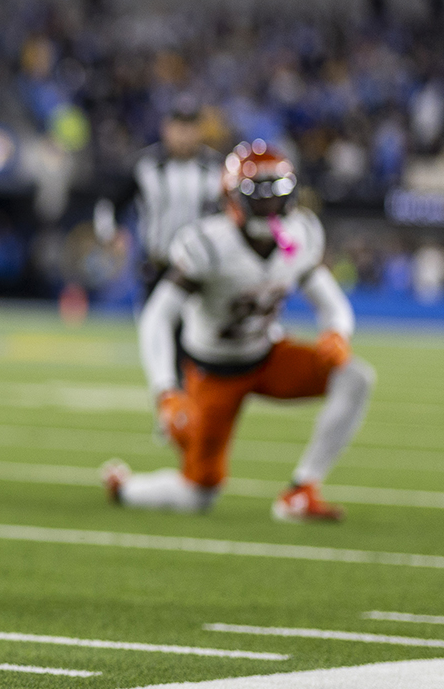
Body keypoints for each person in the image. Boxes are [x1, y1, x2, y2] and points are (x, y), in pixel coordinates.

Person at [103, 141, 373, 521]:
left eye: (276, 195)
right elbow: (157, 317)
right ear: (232, 197)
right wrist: (165, 391)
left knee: (355, 378)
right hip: (214, 373)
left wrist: (336, 333)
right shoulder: (208, 244)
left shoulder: (298, 234)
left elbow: (329, 300)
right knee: (198, 494)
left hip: (265, 355)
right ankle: (125, 487)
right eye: (258, 197)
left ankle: (302, 491)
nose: (269, 206)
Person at [95, 94, 220, 303]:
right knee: (155, 330)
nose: (184, 135)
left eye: (190, 127)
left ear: (200, 130)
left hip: (201, 270)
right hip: (157, 266)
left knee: (195, 334)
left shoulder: (217, 168)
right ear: (166, 128)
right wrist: (110, 234)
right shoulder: (144, 165)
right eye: (179, 126)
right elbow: (109, 203)